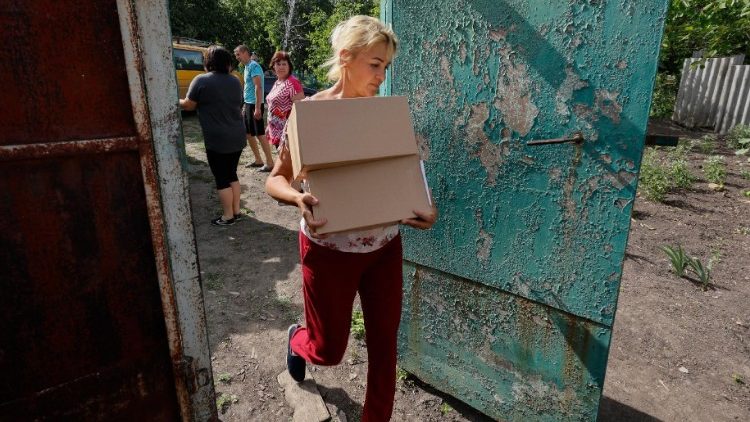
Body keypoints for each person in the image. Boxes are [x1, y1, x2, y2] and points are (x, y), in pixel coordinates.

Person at [265, 15, 438, 422]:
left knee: (384, 346)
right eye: (375, 64)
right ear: (346, 58)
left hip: (383, 248)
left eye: (386, 66)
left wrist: (426, 210)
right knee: (329, 350)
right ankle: (299, 342)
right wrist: (296, 197)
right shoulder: (307, 115)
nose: (382, 75)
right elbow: (276, 180)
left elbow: (408, 173)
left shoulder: (385, 115)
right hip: (328, 251)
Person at [180, 46, 246, 226]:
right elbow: (238, 103)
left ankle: (227, 216)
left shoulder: (201, 80)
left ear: (208, 62)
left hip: (218, 139)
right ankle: (237, 211)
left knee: (221, 177)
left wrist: (174, 100)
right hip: (237, 136)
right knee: (232, 173)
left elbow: (188, 105)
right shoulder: (234, 81)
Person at [233, 45, 274, 172]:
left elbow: (258, 87)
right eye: (236, 55)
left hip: (255, 104)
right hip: (249, 103)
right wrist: (245, 105)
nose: (237, 57)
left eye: (238, 54)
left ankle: (270, 162)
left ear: (245, 52)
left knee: (260, 133)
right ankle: (258, 160)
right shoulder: (246, 67)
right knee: (248, 133)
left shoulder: (254, 66)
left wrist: (257, 108)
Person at [266, 51, 305, 149]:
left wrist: (289, 130)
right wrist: (269, 126)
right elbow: (273, 106)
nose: (281, 67)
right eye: (278, 64)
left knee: (287, 162)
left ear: (289, 66)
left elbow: (301, 109)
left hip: (287, 132)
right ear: (273, 66)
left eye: (284, 64)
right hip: (275, 130)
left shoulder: (292, 83)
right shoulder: (278, 82)